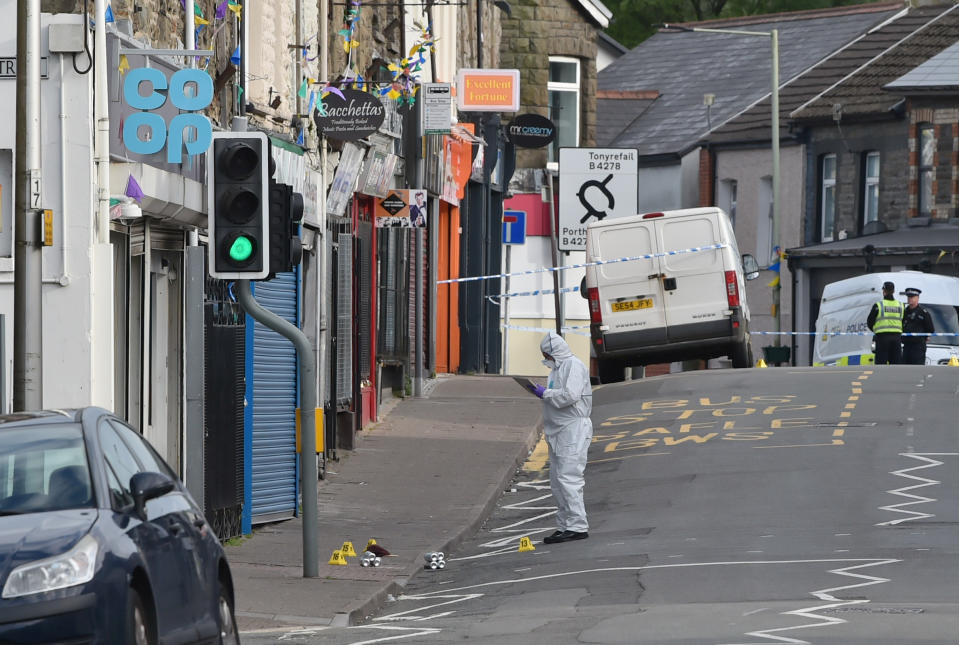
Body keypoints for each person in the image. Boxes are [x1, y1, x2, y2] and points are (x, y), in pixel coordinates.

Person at [530, 332, 593, 544]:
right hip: (560, 429)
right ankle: (565, 525)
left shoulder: (573, 366)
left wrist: (544, 393)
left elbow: (570, 396)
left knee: (568, 477)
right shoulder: (558, 368)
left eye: (546, 354)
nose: (545, 358)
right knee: (558, 480)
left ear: (553, 352)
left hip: (572, 429)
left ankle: (577, 526)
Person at [866, 281, 903, 365]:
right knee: (896, 364)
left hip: (882, 338)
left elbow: (869, 322)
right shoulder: (901, 305)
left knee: (881, 364)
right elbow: (903, 321)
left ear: (884, 291)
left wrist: (875, 330)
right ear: (894, 291)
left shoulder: (879, 305)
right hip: (897, 338)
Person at [901, 287, 934, 365]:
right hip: (906, 346)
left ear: (917, 298)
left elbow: (930, 329)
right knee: (904, 370)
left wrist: (925, 338)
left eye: (912, 297)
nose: (909, 299)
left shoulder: (923, 312)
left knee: (917, 370)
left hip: (918, 346)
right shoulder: (905, 311)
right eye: (908, 297)